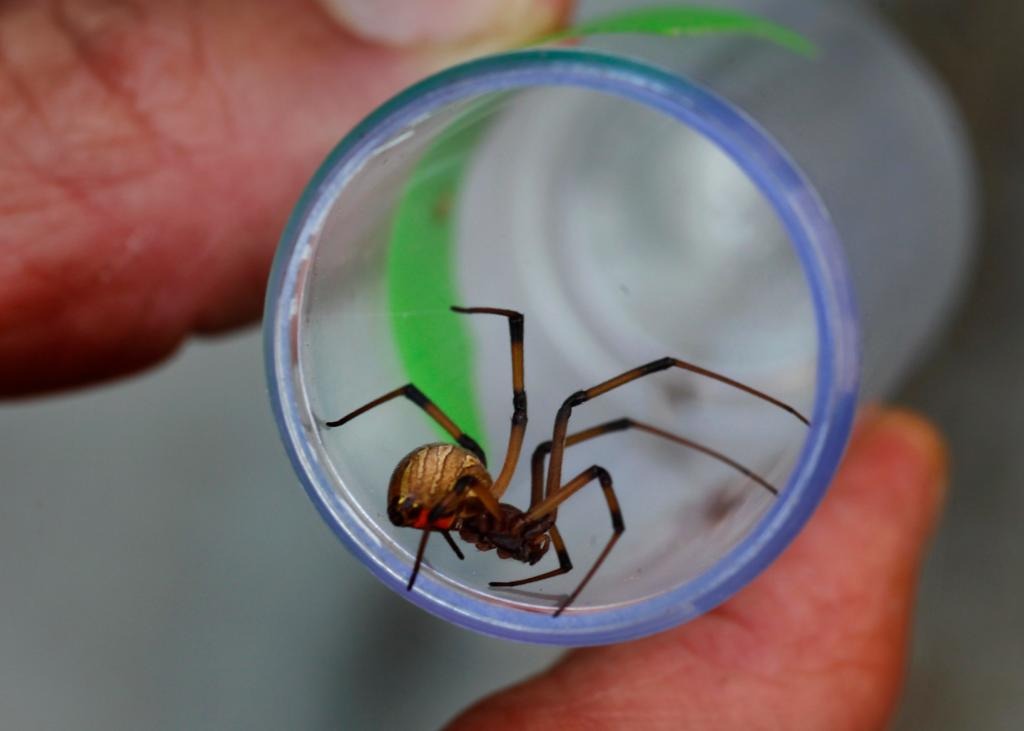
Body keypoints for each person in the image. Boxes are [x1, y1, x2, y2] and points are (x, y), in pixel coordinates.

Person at [0, 2, 947, 728]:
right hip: (445, 489)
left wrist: (564, 583)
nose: (538, 540)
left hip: (458, 494)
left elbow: (589, 491)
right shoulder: (476, 499)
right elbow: (452, 427)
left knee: (587, 423)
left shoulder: (518, 516)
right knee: (568, 415)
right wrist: (448, 529)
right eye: (546, 554)